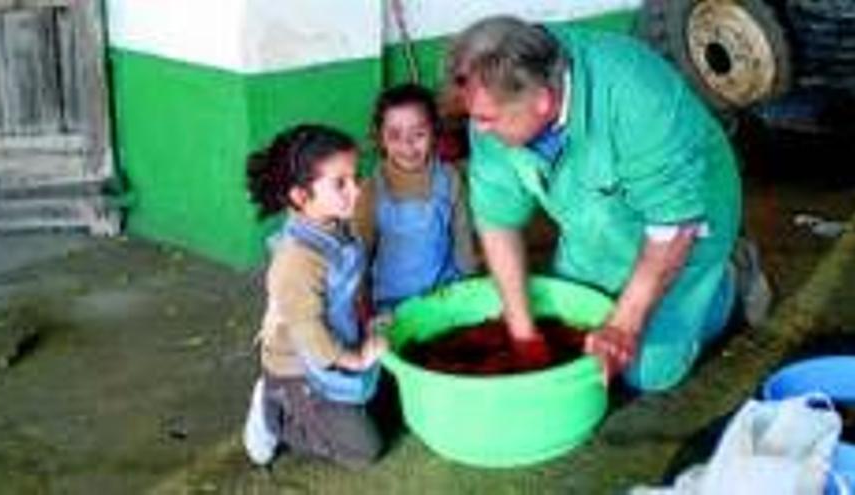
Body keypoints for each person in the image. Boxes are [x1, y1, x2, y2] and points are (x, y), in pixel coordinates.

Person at [446, 16, 749, 391]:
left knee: (642, 371)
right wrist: (523, 335)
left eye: (487, 119)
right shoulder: (497, 100)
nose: (478, 129)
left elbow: (673, 226)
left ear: (542, 102)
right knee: (572, 335)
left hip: (687, 216)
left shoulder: (637, 95)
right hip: (592, 215)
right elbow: (497, 220)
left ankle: (730, 280)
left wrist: (622, 328)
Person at [242, 124, 388, 468]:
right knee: (365, 450)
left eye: (357, 176)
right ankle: (275, 413)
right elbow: (313, 339)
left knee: (387, 403)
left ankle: (320, 406)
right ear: (300, 196)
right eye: (340, 183)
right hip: (301, 368)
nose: (357, 190)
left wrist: (370, 323)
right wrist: (358, 360)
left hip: (336, 343)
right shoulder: (296, 260)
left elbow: (352, 285)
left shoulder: (338, 225)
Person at [353, 83, 476, 313]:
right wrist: (361, 300)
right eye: (395, 135)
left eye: (418, 134)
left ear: (434, 131)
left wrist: (468, 286)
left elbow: (462, 238)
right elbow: (361, 253)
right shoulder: (372, 190)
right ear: (380, 137)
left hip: (444, 293)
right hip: (391, 303)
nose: (408, 145)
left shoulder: (450, 178)